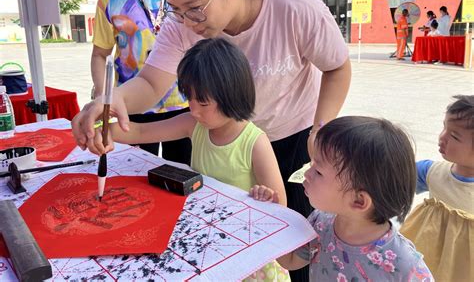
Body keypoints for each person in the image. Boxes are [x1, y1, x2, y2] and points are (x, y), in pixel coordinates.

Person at [73, 0, 351, 280]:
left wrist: (320, 130)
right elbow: (150, 83)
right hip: (224, 138)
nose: (188, 22)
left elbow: (337, 66)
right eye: (175, 10)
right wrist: (107, 102)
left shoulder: (293, 5)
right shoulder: (182, 25)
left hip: (294, 139)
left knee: (293, 248)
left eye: (195, 9)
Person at [103, 38, 290, 281]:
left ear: (232, 95)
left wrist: (265, 197)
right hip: (206, 239)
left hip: (244, 250)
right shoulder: (194, 125)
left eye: (202, 102)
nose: (193, 110)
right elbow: (140, 132)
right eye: (188, 99)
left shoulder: (254, 142)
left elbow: (281, 207)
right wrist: (100, 128)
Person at [251, 116, 434, 281]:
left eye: (318, 171)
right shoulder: (320, 223)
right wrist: (271, 215)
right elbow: (290, 261)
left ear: (359, 201)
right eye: (311, 164)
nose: (306, 174)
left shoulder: (404, 264)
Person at [90, 0, 191, 163]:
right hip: (133, 109)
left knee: (182, 177)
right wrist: (103, 94)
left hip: (185, 103)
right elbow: (99, 54)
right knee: (136, 175)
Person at [400, 95, 474, 281]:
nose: (442, 138)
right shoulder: (432, 171)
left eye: (454, 136)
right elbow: (394, 181)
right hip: (425, 256)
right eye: (444, 128)